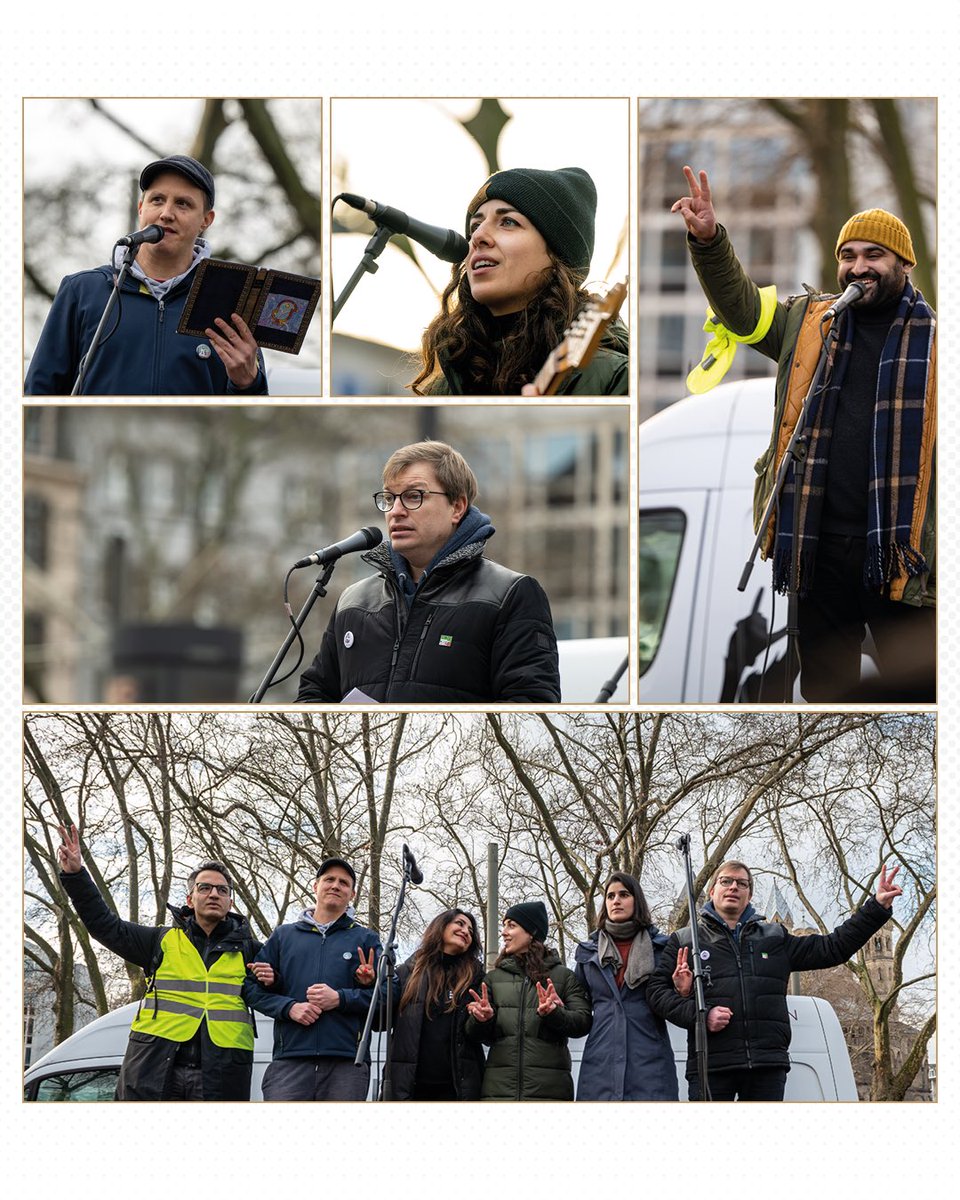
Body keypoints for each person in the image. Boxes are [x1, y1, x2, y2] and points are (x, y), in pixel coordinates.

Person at [672, 167, 935, 701]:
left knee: (917, 696)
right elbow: (742, 309)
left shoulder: (938, 345)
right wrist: (708, 240)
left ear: (904, 264)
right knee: (825, 697)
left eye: (874, 256)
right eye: (848, 256)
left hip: (900, 556)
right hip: (819, 550)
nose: (858, 267)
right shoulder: (810, 324)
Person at [296, 440, 561, 703]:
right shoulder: (353, 601)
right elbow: (313, 697)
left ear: (457, 507)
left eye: (414, 496)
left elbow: (531, 706)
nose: (396, 511)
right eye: (389, 498)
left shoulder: (510, 595)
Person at [646, 858, 903, 1101]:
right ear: (712, 891)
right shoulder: (686, 941)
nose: (734, 887)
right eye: (726, 881)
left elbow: (832, 947)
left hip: (766, 1067)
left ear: (749, 895)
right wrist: (700, 1015)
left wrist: (876, 908)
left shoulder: (774, 937)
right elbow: (656, 992)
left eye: (742, 883)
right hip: (710, 1067)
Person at [56, 823, 272, 1100]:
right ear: (190, 899)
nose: (214, 894)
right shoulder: (159, 941)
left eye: (222, 890)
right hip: (154, 1070)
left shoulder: (252, 952)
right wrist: (76, 876)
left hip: (222, 1075)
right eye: (205, 888)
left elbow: (289, 983)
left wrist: (274, 980)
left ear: (230, 902)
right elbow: (104, 925)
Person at [25, 154, 268, 396]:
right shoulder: (82, 290)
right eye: (157, 200)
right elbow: (39, 396)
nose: (166, 213)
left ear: (206, 220)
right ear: (141, 208)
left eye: (183, 203)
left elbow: (255, 413)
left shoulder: (233, 299)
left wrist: (248, 383)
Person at [411, 166, 628, 396]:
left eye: (508, 222)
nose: (477, 237)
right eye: (475, 226)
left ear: (558, 254)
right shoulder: (442, 390)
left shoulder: (620, 378)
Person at [246, 858, 382, 1101]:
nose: (336, 885)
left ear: (352, 894)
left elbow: (389, 995)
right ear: (315, 886)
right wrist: (289, 1008)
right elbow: (250, 989)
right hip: (289, 1062)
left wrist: (340, 998)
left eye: (344, 883)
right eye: (329, 879)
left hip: (348, 1064)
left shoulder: (366, 939)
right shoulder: (283, 936)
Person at [465, 900, 592, 1100]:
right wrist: (481, 1020)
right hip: (498, 1094)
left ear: (532, 932)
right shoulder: (492, 979)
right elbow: (474, 1035)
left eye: (511, 925)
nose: (504, 932)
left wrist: (555, 1014)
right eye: (504, 925)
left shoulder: (564, 976)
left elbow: (583, 1022)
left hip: (550, 1094)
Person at [574, 871, 679, 1100]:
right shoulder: (588, 953)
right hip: (600, 1066)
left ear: (636, 900)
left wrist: (682, 989)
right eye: (610, 896)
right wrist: (557, 1009)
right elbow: (579, 1010)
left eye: (624, 895)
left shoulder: (662, 949)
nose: (616, 901)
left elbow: (675, 1006)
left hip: (650, 1066)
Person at [378, 908, 486, 1100]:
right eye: (460, 923)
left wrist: (483, 1019)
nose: (466, 931)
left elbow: (482, 1035)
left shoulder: (475, 978)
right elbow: (379, 1021)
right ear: (441, 926)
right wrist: (370, 984)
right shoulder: (407, 972)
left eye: (471, 931)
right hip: (409, 1087)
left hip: (456, 1089)